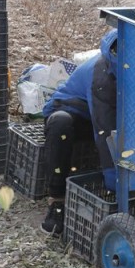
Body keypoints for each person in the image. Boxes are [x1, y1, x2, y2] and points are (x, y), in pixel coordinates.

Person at [40, 29, 119, 236]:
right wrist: (114, 185)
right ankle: (57, 202)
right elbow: (104, 130)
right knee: (60, 125)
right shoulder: (102, 74)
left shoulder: (131, 68)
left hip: (97, 115)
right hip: (71, 113)